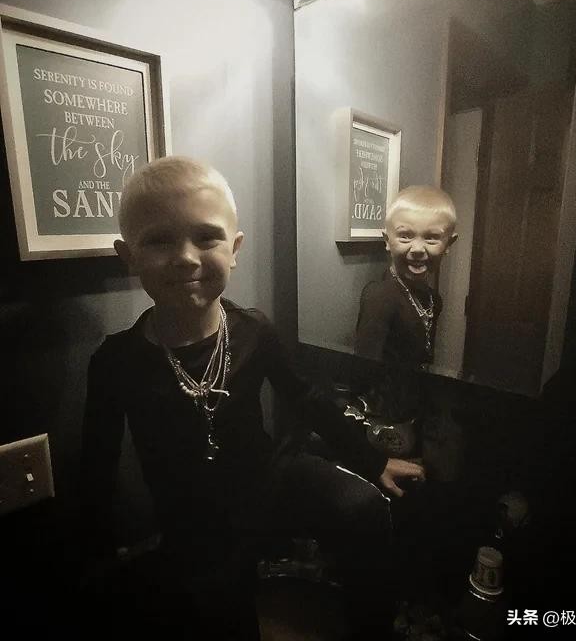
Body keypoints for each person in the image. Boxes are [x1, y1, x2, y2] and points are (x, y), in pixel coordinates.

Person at [80, 155, 424, 640]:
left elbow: (305, 396)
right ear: (128, 256)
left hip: (267, 478)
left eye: (206, 237)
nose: (186, 256)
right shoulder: (116, 360)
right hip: (193, 516)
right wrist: (97, 551)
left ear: (235, 248)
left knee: (363, 507)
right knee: (226, 612)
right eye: (159, 240)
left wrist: (373, 460)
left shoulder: (253, 330)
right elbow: (95, 465)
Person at [349, 185, 458, 456]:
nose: (417, 249)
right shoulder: (380, 296)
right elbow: (363, 371)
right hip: (384, 418)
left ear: (449, 244)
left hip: (415, 409)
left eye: (432, 238)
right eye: (405, 236)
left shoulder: (432, 299)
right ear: (387, 240)